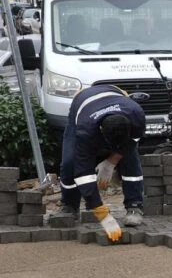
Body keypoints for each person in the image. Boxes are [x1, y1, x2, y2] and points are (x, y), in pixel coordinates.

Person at [52, 84, 146, 241]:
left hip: (116, 95)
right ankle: (69, 204)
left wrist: (112, 161)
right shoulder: (85, 129)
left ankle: (135, 205)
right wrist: (101, 213)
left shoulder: (136, 114)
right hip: (81, 104)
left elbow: (133, 141)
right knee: (69, 162)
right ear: (101, 132)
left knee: (130, 157)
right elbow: (83, 173)